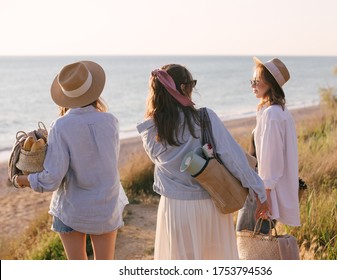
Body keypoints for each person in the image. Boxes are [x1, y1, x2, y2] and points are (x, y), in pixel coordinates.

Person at [136, 64, 268, 260]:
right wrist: (259, 191)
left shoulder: (150, 130)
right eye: (191, 84)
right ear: (183, 88)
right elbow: (234, 159)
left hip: (175, 207)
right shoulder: (205, 118)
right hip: (211, 202)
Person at [15, 61, 129, 260]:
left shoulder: (62, 125)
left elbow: (51, 179)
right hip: (107, 205)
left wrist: (21, 180)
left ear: (65, 95)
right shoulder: (111, 121)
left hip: (73, 208)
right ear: (93, 91)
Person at [236, 57, 300, 234]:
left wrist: (266, 195)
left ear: (270, 84)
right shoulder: (277, 111)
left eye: (256, 81)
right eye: (252, 81)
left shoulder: (272, 114)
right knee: (255, 239)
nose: (252, 85)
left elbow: (272, 157)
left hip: (260, 190)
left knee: (248, 237)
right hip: (261, 187)